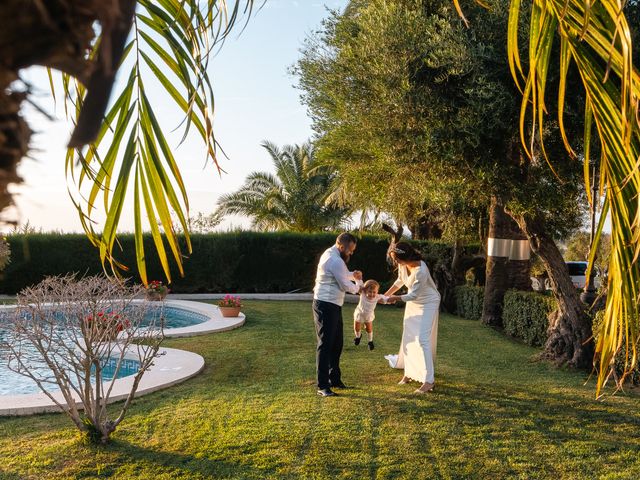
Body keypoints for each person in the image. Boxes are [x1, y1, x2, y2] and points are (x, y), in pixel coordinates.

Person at [384, 241, 440, 394]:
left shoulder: (421, 270)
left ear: (405, 257)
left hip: (428, 302)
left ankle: (429, 381)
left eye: (397, 259)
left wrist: (394, 299)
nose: (396, 262)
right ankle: (409, 372)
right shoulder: (403, 264)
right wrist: (384, 296)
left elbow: (413, 294)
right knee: (408, 336)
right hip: (414, 302)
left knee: (422, 339)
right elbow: (400, 281)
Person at [312, 233, 363, 397]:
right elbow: (345, 285)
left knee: (337, 343)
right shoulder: (334, 259)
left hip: (334, 305)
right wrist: (359, 287)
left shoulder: (335, 257)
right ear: (342, 246)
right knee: (325, 344)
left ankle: (335, 379)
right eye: (350, 250)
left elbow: (342, 274)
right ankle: (322, 386)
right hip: (325, 305)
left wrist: (352, 275)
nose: (351, 253)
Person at [353, 279, 387, 351]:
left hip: (368, 316)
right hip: (359, 313)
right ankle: (358, 337)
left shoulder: (377, 297)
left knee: (368, 329)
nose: (372, 294)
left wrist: (392, 299)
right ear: (365, 290)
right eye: (370, 292)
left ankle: (370, 341)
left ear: (377, 292)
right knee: (357, 328)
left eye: (374, 292)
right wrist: (358, 278)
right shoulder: (362, 293)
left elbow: (386, 299)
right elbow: (359, 284)